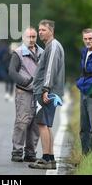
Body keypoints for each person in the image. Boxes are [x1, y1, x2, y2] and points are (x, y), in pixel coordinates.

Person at [28, 20, 65, 170]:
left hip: (46, 92)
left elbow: (50, 69)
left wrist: (45, 89)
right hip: (45, 90)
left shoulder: (54, 46)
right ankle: (49, 158)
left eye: (43, 30)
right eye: (39, 29)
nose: (40, 32)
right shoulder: (50, 46)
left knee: (43, 125)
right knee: (46, 125)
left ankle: (46, 159)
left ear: (51, 31)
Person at [8, 28, 43, 162]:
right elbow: (11, 71)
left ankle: (30, 152)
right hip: (24, 92)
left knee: (35, 124)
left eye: (34, 36)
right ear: (23, 38)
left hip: (38, 92)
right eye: (29, 37)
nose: (31, 39)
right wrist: (24, 81)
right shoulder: (18, 53)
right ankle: (17, 151)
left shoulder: (42, 52)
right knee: (22, 122)